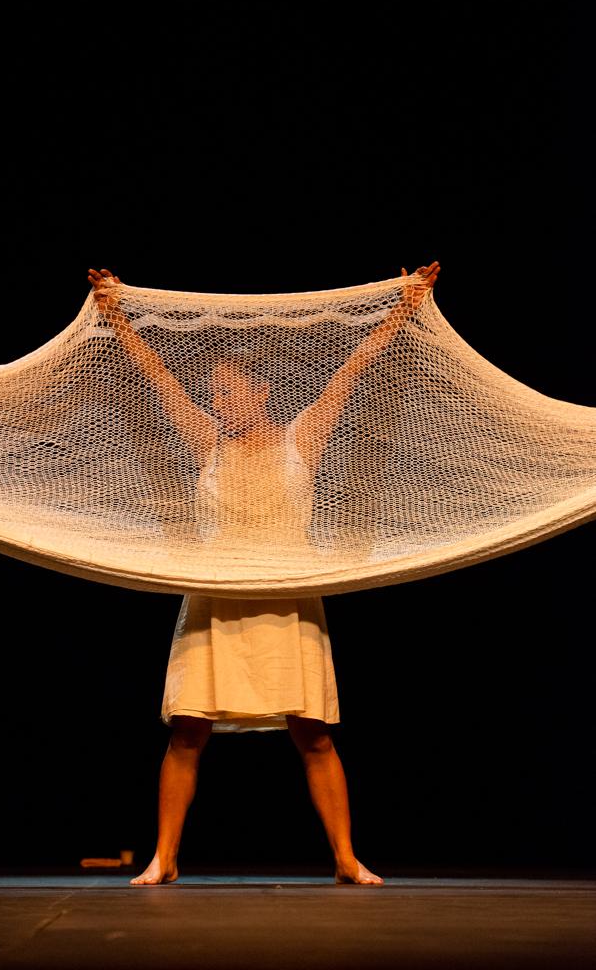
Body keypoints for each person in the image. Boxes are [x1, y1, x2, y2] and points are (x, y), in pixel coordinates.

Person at [88, 262, 438, 886]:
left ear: (262, 394)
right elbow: (158, 379)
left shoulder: (302, 438)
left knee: (314, 736)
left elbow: (351, 372)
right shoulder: (208, 442)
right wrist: (116, 316)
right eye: (214, 394)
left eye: (230, 392)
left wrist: (402, 310)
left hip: (286, 599)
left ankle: (345, 858)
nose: (219, 403)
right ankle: (164, 858)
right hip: (217, 597)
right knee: (187, 733)